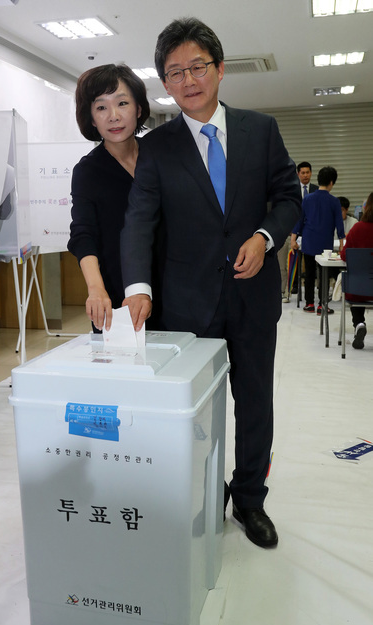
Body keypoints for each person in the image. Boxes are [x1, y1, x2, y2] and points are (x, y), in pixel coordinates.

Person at [120, 18, 301, 548]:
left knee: (255, 402)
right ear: (166, 85)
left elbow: (288, 198)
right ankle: (195, 493)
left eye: (197, 66)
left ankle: (249, 500)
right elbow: (139, 220)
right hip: (186, 302)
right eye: (174, 72)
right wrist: (138, 287)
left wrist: (266, 237)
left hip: (252, 295)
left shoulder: (260, 129)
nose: (188, 79)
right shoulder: (157, 147)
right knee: (192, 411)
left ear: (219, 70)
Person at [67, 64, 151, 332]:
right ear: (91, 118)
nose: (113, 116)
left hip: (175, 290)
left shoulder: (160, 156)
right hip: (116, 296)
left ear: (138, 109)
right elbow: (83, 234)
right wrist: (96, 289)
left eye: (122, 103)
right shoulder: (88, 171)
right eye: (101, 107)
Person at [291, 166, 345, 314]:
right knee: (324, 274)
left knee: (309, 273)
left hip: (309, 241)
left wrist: (293, 238)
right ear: (331, 182)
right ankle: (322, 304)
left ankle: (309, 303)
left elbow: (300, 220)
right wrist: (341, 243)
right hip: (325, 244)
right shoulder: (334, 201)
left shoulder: (307, 198)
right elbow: (339, 224)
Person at [278, 162, 318, 302]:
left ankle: (309, 295)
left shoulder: (316, 190)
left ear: (311, 173)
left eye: (308, 172)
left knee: (309, 266)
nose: (305, 175)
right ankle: (287, 290)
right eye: (303, 173)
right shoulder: (291, 190)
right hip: (290, 233)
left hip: (309, 234)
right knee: (288, 264)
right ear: (298, 174)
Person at [339, 192, 373, 349]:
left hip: (357, 288)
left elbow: (345, 255)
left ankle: (359, 323)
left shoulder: (357, 228)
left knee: (355, 286)